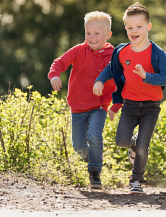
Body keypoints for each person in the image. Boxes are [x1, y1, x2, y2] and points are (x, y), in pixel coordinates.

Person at [93, 3, 166, 194]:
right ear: (125, 28)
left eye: (138, 26)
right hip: (129, 105)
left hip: (151, 107)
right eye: (129, 27)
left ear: (148, 26)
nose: (134, 31)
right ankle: (133, 143)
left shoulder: (157, 53)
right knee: (121, 141)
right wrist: (100, 80)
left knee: (143, 147)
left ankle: (136, 180)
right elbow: (110, 70)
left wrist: (147, 76)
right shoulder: (122, 52)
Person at [48, 11, 121, 189]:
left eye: (97, 33)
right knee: (79, 145)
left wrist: (116, 106)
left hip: (99, 105)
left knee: (94, 136)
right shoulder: (79, 50)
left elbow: (122, 83)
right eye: (88, 33)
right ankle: (96, 159)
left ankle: (95, 172)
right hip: (78, 106)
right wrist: (54, 75)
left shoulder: (113, 56)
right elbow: (59, 62)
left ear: (108, 35)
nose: (92, 37)